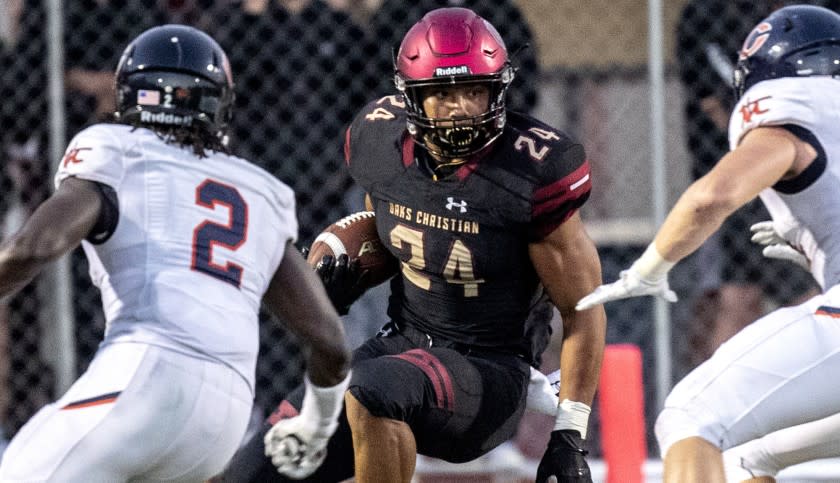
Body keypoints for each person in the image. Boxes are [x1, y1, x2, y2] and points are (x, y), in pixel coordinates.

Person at [216, 7, 607, 483]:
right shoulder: (379, 139)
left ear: (499, 90)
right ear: (410, 97)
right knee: (253, 472)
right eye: (442, 93)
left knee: (371, 389)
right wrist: (337, 285)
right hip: (400, 343)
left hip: (488, 371)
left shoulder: (533, 170)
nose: (461, 107)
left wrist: (569, 436)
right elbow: (391, 237)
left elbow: (583, 309)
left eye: (474, 91)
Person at [0, 24, 351, 481]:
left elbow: (36, 247)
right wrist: (317, 424)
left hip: (148, 374)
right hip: (225, 416)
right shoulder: (261, 192)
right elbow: (329, 341)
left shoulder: (113, 147)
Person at [576, 5, 840, 482]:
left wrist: (651, 267)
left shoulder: (792, 107)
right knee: (750, 457)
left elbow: (711, 197)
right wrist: (815, 250)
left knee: (689, 416)